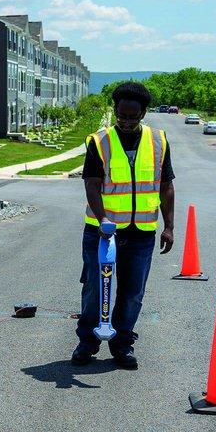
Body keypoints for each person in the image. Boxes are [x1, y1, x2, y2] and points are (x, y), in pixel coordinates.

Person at [72, 82, 175, 369]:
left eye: (133, 116)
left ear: (143, 113)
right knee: (94, 289)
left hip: (141, 234)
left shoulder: (158, 141)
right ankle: (87, 342)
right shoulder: (100, 141)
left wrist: (169, 226)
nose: (127, 121)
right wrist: (103, 218)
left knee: (132, 293)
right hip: (102, 232)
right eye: (121, 115)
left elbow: (166, 186)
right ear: (115, 110)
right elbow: (92, 184)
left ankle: (122, 344)